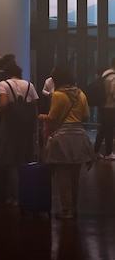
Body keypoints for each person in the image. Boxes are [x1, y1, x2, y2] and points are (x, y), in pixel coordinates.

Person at [39, 64, 93, 219]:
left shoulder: (58, 95)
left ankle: (66, 210)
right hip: (79, 136)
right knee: (75, 177)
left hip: (63, 137)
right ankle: (74, 208)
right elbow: (85, 115)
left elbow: (53, 117)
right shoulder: (81, 94)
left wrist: (42, 117)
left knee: (63, 176)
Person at [0, 62, 39, 204]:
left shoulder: (3, 84)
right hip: (26, 126)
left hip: (9, 125)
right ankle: (27, 192)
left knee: (10, 159)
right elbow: (35, 104)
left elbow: (4, 103)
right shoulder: (29, 85)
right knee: (23, 157)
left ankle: (15, 196)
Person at [94, 59, 115, 160]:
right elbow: (113, 92)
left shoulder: (105, 74)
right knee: (109, 130)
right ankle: (109, 152)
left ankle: (96, 151)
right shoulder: (113, 77)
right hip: (110, 106)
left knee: (102, 129)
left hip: (102, 105)